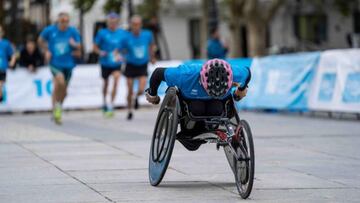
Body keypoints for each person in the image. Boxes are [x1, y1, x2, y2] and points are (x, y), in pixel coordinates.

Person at [145, 59, 250, 150]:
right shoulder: (185, 74)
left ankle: (210, 128)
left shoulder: (237, 73)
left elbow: (248, 73)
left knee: (216, 110)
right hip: (191, 103)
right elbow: (157, 73)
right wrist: (153, 94)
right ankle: (190, 131)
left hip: (218, 103)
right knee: (197, 109)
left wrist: (241, 89)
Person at [38, 12, 81, 124]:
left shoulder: (72, 31)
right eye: (62, 21)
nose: (65, 23)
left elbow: (79, 46)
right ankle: (56, 107)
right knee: (60, 81)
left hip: (69, 64)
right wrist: (46, 50)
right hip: (55, 63)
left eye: (67, 21)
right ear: (58, 21)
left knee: (64, 91)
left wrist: (74, 44)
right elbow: (40, 40)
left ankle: (58, 107)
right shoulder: (50, 30)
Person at [93, 12, 126, 117]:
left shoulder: (122, 33)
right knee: (106, 84)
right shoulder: (102, 33)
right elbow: (95, 47)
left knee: (116, 80)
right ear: (108, 23)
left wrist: (122, 54)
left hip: (116, 62)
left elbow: (126, 47)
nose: (112, 24)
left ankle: (111, 105)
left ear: (117, 23)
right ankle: (104, 102)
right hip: (105, 62)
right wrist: (100, 52)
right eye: (110, 22)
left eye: (114, 22)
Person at [123, 15, 156, 120]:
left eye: (138, 24)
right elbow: (121, 50)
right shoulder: (126, 37)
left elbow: (151, 46)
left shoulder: (147, 34)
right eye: (134, 25)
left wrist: (152, 56)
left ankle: (137, 98)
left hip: (142, 64)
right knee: (130, 90)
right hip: (130, 65)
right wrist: (121, 56)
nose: (136, 27)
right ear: (131, 25)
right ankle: (129, 110)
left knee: (141, 89)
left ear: (141, 25)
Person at [0, 25, 16, 103]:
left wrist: (12, 61)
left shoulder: (6, 43)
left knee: (0, 85)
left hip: (2, 69)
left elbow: (12, 54)